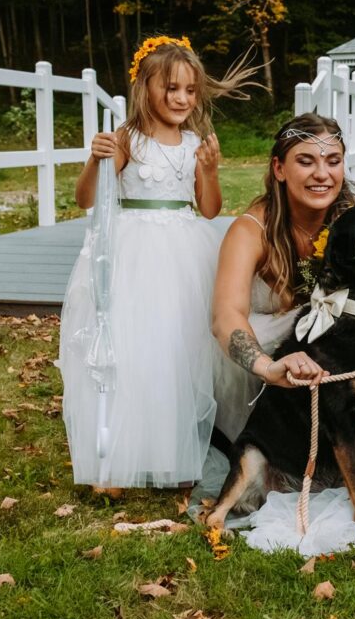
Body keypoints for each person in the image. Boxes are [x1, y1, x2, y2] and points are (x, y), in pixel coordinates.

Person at [58, 35, 255, 494]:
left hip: (183, 254)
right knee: (133, 353)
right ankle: (119, 461)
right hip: (133, 253)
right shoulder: (128, 139)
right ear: (145, 87)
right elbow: (86, 199)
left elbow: (209, 210)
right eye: (171, 88)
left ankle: (174, 456)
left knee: (177, 354)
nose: (181, 98)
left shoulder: (194, 143)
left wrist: (208, 170)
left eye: (189, 90)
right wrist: (95, 158)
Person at [209, 113, 355, 442]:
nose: (322, 174)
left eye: (333, 161)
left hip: (336, 363)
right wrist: (266, 366)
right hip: (262, 360)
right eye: (305, 161)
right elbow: (226, 315)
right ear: (279, 169)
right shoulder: (251, 230)